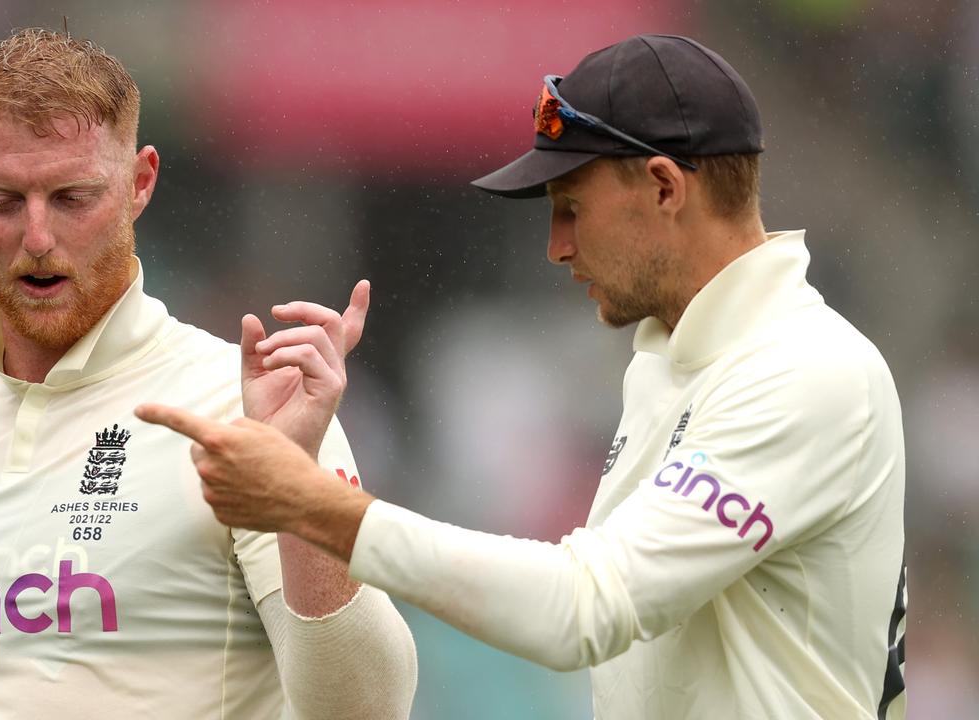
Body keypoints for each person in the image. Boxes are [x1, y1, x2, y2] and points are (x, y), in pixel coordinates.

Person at [137, 34, 908, 719]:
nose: (556, 246)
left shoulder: (804, 371)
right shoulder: (671, 360)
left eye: (572, 208)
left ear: (667, 188)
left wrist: (313, 504)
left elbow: (582, 607)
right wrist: (304, 478)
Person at [0, 28, 416, 720]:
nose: (37, 238)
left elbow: (368, 709)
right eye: (3, 201)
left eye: (72, 198)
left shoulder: (245, 411)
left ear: (140, 183)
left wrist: (295, 486)